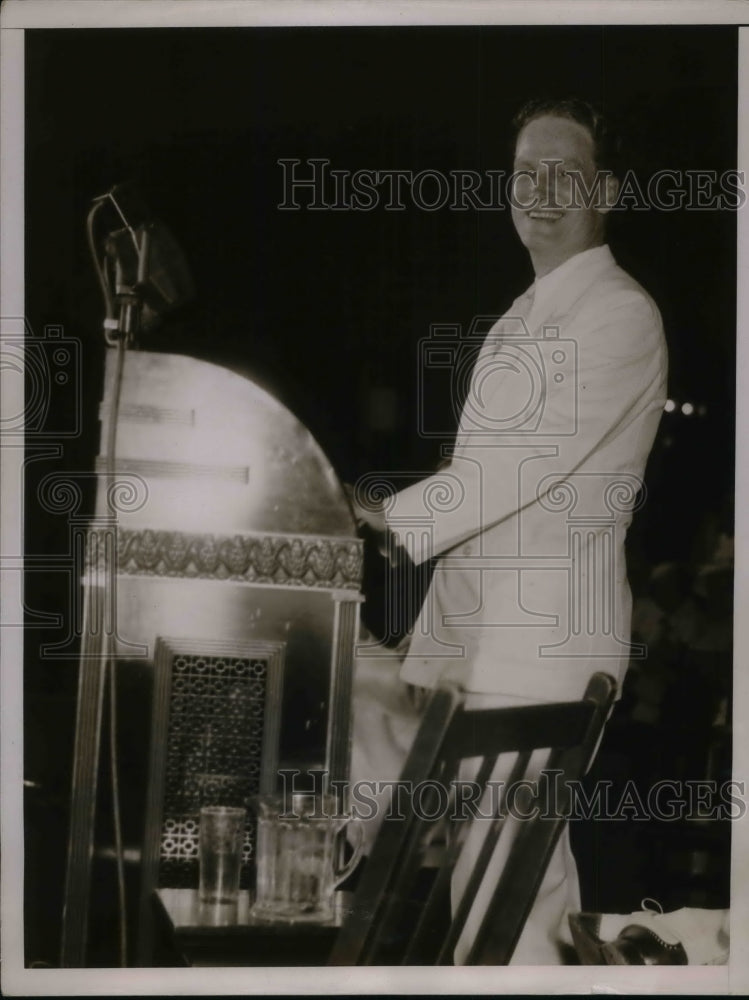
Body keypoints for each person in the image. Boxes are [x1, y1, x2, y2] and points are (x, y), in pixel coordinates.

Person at [352, 97, 668, 963]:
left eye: (564, 173)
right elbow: (486, 504)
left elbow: (518, 468)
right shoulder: (519, 317)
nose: (540, 191)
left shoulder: (619, 312)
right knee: (511, 898)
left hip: (542, 649)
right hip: (485, 649)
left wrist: (385, 517)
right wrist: (429, 650)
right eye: (526, 173)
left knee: (502, 905)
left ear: (606, 191)